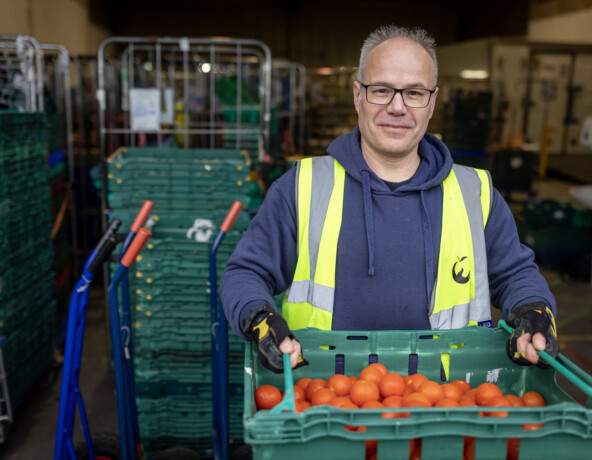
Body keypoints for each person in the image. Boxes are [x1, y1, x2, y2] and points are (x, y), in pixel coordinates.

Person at [220, 25, 558, 373]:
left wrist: (534, 309)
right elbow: (245, 272)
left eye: (414, 93)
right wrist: (258, 316)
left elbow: (516, 274)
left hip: (447, 405)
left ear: (432, 102)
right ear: (357, 95)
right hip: (321, 398)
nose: (397, 107)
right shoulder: (303, 186)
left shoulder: (476, 193)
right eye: (381, 90)